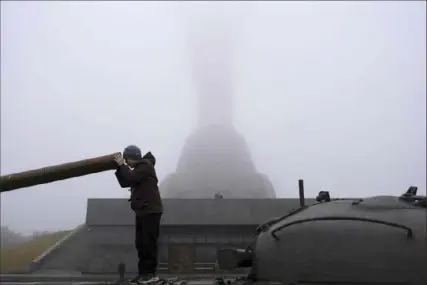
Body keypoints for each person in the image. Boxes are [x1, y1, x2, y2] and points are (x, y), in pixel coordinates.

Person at [114, 145, 163, 285]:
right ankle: (143, 274)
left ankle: (150, 275)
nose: (126, 162)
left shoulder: (145, 165)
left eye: (126, 159)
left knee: (148, 243)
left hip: (150, 210)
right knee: (140, 244)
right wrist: (119, 168)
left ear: (131, 157)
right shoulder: (137, 170)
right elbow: (125, 182)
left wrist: (122, 166)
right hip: (142, 211)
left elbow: (130, 179)